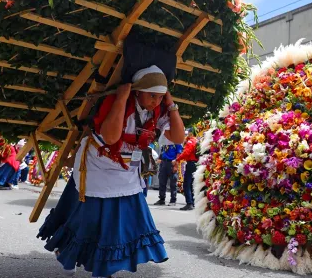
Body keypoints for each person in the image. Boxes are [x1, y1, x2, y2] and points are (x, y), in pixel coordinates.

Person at [39, 66, 184, 278]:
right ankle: (70, 255)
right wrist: (120, 99)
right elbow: (111, 138)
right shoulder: (117, 103)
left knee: (123, 223)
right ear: (137, 91)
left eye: (160, 97)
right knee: (91, 221)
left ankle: (103, 268)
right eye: (152, 95)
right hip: (99, 165)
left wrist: (171, 105)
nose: (156, 101)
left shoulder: (159, 110)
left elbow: (179, 137)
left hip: (126, 171)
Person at [154, 125, 183, 206]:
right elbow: (163, 151)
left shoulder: (176, 141)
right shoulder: (164, 140)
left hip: (171, 163)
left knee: (173, 183)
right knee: (162, 181)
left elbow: (179, 153)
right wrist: (160, 158)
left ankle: (173, 200)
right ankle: (161, 199)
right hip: (164, 163)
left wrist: (176, 165)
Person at [176, 130, 199, 211]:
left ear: (191, 133)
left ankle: (189, 203)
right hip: (196, 164)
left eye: (187, 133)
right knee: (192, 184)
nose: (186, 135)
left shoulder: (190, 141)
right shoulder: (197, 141)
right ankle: (192, 202)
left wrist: (178, 159)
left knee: (186, 184)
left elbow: (186, 152)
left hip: (191, 163)